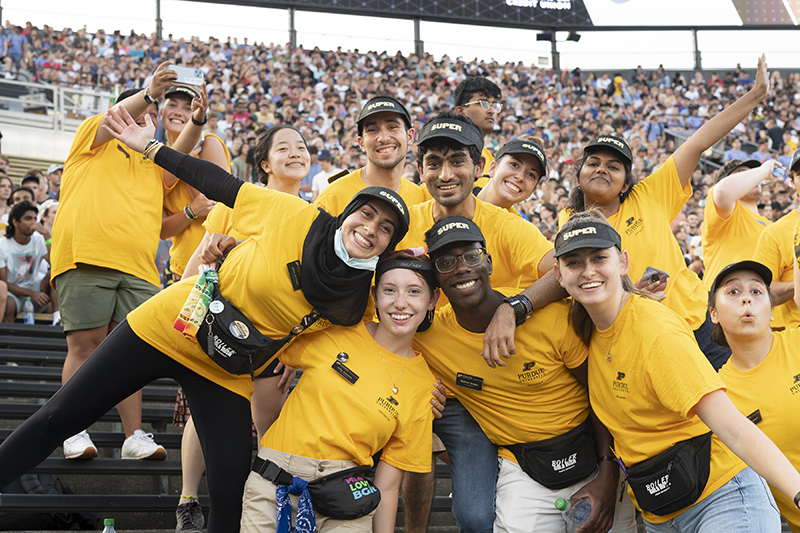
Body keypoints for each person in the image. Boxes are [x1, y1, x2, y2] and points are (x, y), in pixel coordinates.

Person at [0, 104, 411, 533]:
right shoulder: (299, 216)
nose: (370, 229)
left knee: (231, 483)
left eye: (385, 228)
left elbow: (401, 322)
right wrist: (152, 148)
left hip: (228, 368)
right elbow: (221, 184)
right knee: (58, 418)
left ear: (388, 245)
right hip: (170, 325)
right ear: (348, 213)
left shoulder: (360, 295)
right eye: (366, 214)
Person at [552, 210, 800, 532]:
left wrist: (797, 490)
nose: (588, 272)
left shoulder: (657, 332)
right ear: (558, 276)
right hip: (661, 512)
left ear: (623, 263)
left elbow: (735, 427)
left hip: (722, 500)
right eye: (573, 263)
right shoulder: (585, 330)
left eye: (599, 258)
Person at [414, 215, 636, 533]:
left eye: (472, 256)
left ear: (488, 262)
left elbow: (602, 395)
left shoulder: (549, 318)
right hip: (523, 469)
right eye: (446, 262)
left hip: (592, 456)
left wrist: (608, 471)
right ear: (435, 277)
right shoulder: (429, 335)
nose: (461, 267)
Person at [398, 112, 564, 533]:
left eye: (457, 161)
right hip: (408, 376)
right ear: (421, 171)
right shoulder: (403, 221)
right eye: (434, 162)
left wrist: (514, 307)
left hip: (474, 386)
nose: (445, 173)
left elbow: (564, 271)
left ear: (479, 167)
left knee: (475, 515)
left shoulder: (504, 227)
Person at [558, 55, 772, 371]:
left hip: (699, 327)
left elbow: (699, 141)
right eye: (594, 163)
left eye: (614, 166)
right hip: (639, 334)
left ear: (625, 183)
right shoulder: (569, 220)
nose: (602, 169)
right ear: (579, 173)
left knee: (732, 407)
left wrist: (755, 96)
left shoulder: (650, 195)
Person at [239, 251, 440, 533]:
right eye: (389, 290)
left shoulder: (424, 386)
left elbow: (388, 484)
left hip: (346, 495)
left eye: (414, 292)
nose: (400, 303)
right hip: (274, 483)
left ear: (433, 300)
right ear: (375, 295)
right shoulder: (336, 330)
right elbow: (267, 347)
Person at [174, 124, 310, 532]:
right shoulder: (240, 200)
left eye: (301, 147)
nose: (295, 153)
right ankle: (188, 500)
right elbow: (194, 269)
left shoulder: (313, 212)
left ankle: (265, 508)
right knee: (205, 418)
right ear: (264, 163)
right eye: (283, 147)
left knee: (271, 425)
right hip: (220, 326)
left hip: (274, 339)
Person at [50, 62, 189, 461]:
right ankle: (73, 428)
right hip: (87, 254)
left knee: (129, 355)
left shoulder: (153, 160)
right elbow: (116, 117)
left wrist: (197, 119)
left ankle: (134, 437)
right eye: (136, 113)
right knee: (85, 345)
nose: (143, 120)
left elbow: (166, 223)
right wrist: (149, 94)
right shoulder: (91, 136)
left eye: (150, 118)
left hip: (140, 267)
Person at [710, 260, 800, 531]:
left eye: (757, 292)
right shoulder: (717, 396)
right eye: (733, 292)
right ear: (713, 314)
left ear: (772, 311)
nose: (746, 298)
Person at [159, 85, 229, 282]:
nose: (178, 112)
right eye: (172, 105)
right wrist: (190, 211)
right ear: (162, 112)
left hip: (214, 267)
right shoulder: (157, 159)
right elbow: (163, 230)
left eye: (188, 108)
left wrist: (187, 160)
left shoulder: (209, 144)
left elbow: (215, 205)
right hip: (177, 268)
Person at [314, 95, 425, 215]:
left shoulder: (419, 197)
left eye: (392, 127)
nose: (383, 138)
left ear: (410, 137)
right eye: (372, 129)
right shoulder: (334, 196)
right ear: (361, 143)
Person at [701, 159, 773, 290]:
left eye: (753, 173)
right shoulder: (725, 211)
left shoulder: (770, 226)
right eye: (741, 173)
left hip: (757, 302)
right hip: (721, 298)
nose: (753, 177)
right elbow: (723, 191)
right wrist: (764, 170)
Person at [753, 148, 800, 330]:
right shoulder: (776, 232)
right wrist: (796, 283)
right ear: (793, 183)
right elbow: (762, 292)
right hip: (793, 336)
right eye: (799, 174)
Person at [0, 201, 52, 321]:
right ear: (15, 222)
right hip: (13, 293)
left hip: (36, 290)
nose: (33, 223)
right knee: (9, 303)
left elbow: (55, 263)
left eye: (35, 218)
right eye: (28, 219)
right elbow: (4, 283)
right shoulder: (2, 246)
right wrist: (31, 294)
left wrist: (46, 234)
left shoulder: (39, 240)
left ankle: (56, 319)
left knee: (53, 274)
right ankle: (9, 338)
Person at [454, 76, 503, 188]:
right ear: (460, 111)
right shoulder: (443, 152)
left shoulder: (492, 160)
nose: (491, 111)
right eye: (483, 104)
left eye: (494, 105)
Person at [475, 136, 546, 214]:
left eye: (531, 175)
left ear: (532, 191)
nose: (520, 177)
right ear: (493, 168)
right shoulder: (461, 198)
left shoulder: (519, 225)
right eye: (514, 164)